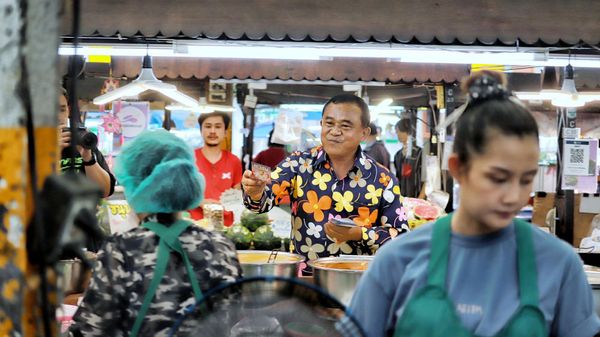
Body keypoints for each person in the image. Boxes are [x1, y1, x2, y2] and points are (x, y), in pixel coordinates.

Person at [350, 71, 600, 337]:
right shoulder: (400, 260)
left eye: (526, 179)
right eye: (497, 177)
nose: (514, 196)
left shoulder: (558, 263)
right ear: (458, 168)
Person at [70, 129, 242, 337]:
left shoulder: (121, 250)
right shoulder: (221, 246)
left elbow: (89, 331)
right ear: (188, 179)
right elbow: (233, 318)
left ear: (135, 183)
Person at [241, 94, 409, 267]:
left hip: (359, 280)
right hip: (307, 279)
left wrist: (359, 234)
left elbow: (401, 238)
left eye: (345, 126)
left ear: (364, 133)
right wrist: (255, 191)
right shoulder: (298, 163)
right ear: (321, 125)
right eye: (329, 123)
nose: (335, 131)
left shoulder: (382, 178)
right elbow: (261, 203)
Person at [59, 91, 115, 198]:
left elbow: (105, 191)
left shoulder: (80, 141)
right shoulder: (28, 144)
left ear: (68, 111)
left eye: (62, 110)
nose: (57, 116)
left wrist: (88, 158)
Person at [188, 111, 242, 221]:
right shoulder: (189, 159)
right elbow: (180, 194)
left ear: (225, 132)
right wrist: (200, 202)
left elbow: (237, 196)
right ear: (201, 130)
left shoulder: (234, 161)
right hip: (195, 224)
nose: (212, 131)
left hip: (225, 225)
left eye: (218, 127)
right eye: (208, 126)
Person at [393, 118, 425, 198]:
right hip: (403, 199)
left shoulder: (420, 153)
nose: (397, 135)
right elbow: (398, 179)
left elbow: (427, 180)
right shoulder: (398, 155)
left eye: (398, 131)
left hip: (417, 199)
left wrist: (420, 200)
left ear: (407, 131)